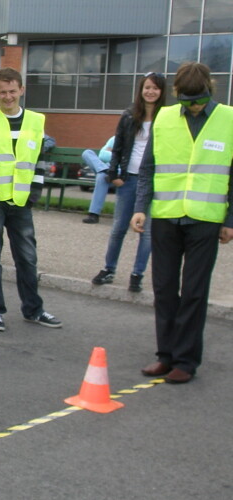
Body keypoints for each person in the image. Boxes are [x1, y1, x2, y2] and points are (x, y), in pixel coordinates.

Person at [131, 62, 233, 385]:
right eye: (188, 101)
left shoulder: (228, 119)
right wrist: (140, 208)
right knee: (163, 289)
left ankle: (186, 361)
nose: (194, 107)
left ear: (210, 90)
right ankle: (166, 355)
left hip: (205, 219)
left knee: (193, 291)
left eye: (199, 100)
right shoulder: (163, 118)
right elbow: (147, 168)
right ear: (177, 95)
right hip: (166, 216)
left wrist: (230, 219)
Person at [0, 68, 61, 333]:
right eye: (2, 92)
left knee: (28, 258)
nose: (8, 97)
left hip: (21, 201)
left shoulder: (35, 121)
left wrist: (34, 195)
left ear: (21, 90)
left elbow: (40, 161)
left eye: (12, 91)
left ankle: (34, 309)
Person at [90, 72, 166, 292]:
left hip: (154, 181)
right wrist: (113, 174)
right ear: (141, 90)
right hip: (130, 178)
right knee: (118, 228)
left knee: (148, 232)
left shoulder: (166, 117)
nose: (150, 92)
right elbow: (119, 146)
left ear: (161, 92)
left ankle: (137, 273)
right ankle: (109, 268)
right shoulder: (129, 115)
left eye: (155, 88)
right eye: (147, 87)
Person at [80, 137, 115, 224]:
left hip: (118, 173)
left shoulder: (134, 141)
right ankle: (104, 169)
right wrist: (117, 155)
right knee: (87, 153)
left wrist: (111, 153)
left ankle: (93, 215)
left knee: (102, 177)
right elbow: (102, 155)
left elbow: (128, 160)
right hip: (106, 169)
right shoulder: (115, 139)